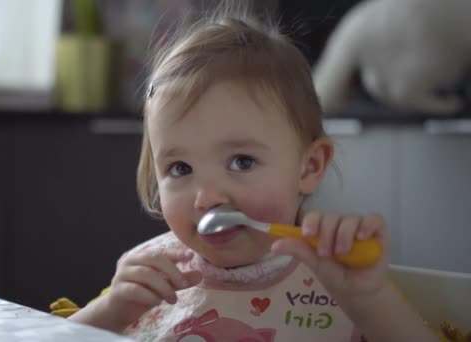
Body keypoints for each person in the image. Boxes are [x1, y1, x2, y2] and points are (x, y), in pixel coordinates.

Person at [65, 3, 436, 341]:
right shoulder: (152, 273)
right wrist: (109, 312)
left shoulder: (340, 275)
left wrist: (367, 299)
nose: (207, 197)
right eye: (180, 168)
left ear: (309, 167)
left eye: (241, 162)